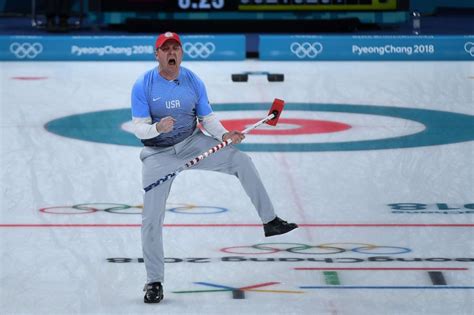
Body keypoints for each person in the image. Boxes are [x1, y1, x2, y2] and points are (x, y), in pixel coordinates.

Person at [130, 31, 298, 304]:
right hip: (158, 154)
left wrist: (224, 136)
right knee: (151, 219)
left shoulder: (193, 81)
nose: (171, 53)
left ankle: (271, 221)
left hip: (191, 143)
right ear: (157, 54)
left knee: (241, 161)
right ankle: (154, 281)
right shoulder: (143, 85)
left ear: (181, 53)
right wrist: (156, 128)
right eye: (166, 49)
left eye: (176, 48)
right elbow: (138, 127)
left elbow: (206, 117)